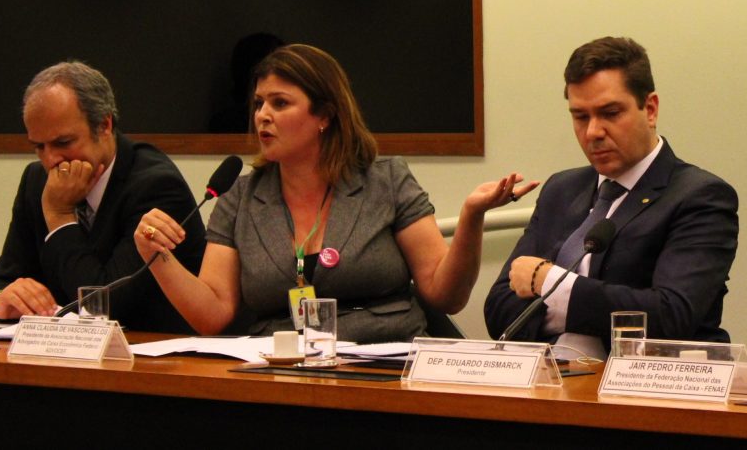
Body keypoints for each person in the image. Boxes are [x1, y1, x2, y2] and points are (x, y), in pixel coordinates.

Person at [134, 44, 537, 342]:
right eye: (258, 104)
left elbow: (444, 294)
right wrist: (156, 255)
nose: (262, 116)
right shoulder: (240, 198)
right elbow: (213, 314)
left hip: (386, 364)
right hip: (279, 371)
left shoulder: (385, 181)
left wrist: (471, 217)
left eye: (279, 103)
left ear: (325, 115)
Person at [484, 37, 738, 357]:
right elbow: (499, 309)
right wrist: (585, 311)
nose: (593, 132)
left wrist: (549, 283)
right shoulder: (561, 190)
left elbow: (670, 316)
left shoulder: (700, 196)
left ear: (650, 109)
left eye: (610, 113)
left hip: (652, 381)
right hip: (558, 379)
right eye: (580, 117)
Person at [0, 61, 206, 332]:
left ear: (104, 125)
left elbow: (106, 306)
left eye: (63, 143)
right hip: (59, 351)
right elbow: (1, 282)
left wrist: (60, 217)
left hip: (152, 349)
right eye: (39, 146)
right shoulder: (36, 181)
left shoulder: (156, 186)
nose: (50, 160)